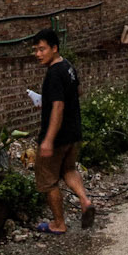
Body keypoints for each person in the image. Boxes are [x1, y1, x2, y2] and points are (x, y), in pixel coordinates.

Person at [32, 28, 94, 235]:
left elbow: (58, 106)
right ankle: (85, 201)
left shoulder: (53, 74)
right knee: (68, 169)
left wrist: (48, 140)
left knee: (48, 181)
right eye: (35, 50)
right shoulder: (68, 66)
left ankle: (59, 224)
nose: (38, 54)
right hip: (73, 132)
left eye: (42, 49)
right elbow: (77, 92)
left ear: (54, 48)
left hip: (57, 137)